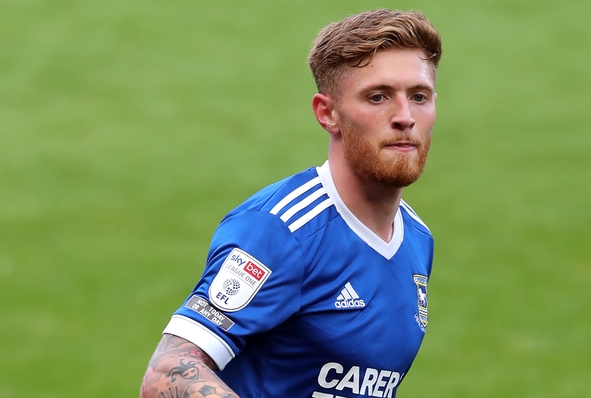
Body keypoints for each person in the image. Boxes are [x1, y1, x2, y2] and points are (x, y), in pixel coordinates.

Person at [140, 8, 442, 398]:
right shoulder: (282, 230)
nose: (405, 117)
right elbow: (167, 375)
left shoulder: (417, 239)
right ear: (327, 113)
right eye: (378, 97)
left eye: (419, 97)